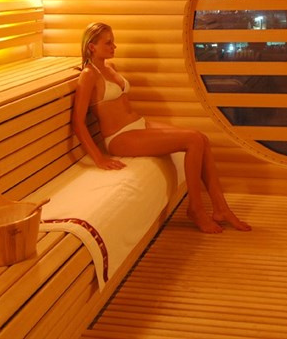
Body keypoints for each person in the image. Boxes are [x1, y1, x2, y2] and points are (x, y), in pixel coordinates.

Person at [72, 22, 251, 234]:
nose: (114, 46)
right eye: (108, 43)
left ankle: (221, 208)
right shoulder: (89, 75)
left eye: (113, 42)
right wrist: (99, 158)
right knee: (193, 140)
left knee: (201, 138)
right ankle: (196, 209)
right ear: (92, 47)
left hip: (138, 124)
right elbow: (78, 121)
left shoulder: (110, 67)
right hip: (120, 137)